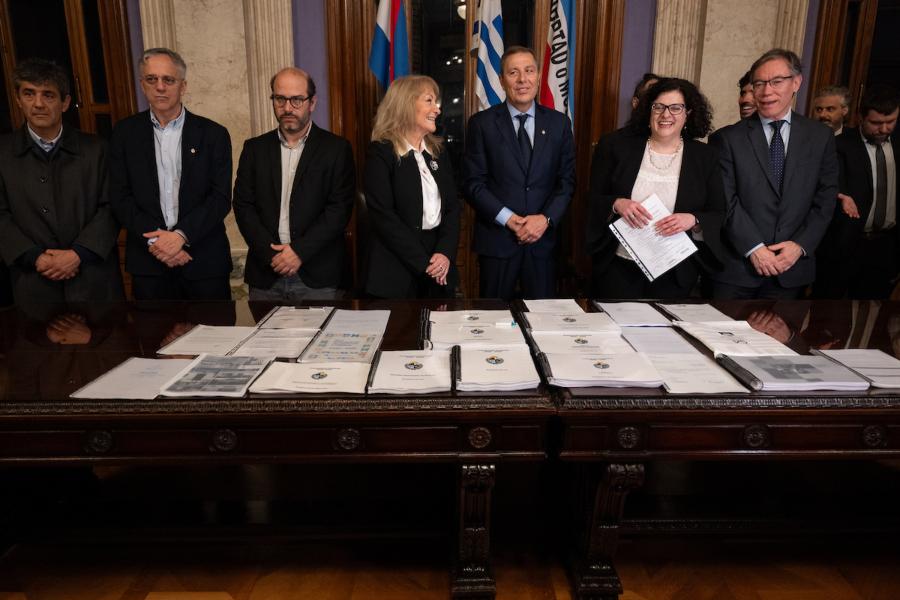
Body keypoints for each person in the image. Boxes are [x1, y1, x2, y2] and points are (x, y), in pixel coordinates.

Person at [710, 48, 838, 299]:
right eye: (759, 83)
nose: (767, 91)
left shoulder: (820, 137)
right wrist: (754, 248)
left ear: (796, 83)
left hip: (791, 271)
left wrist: (800, 246)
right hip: (737, 271)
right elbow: (726, 199)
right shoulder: (726, 139)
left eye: (776, 82)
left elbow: (826, 197)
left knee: (783, 338)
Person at [110, 48, 232, 300]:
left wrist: (179, 237)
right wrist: (159, 243)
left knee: (213, 338)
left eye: (169, 80)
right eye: (152, 79)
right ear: (142, 85)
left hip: (203, 263)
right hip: (149, 265)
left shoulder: (213, 134)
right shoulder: (124, 134)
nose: (160, 87)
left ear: (183, 86)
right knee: (155, 338)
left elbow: (220, 198)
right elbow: (120, 197)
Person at [586, 78, 725, 298]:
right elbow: (592, 199)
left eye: (675, 108)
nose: (666, 115)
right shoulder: (616, 146)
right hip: (619, 267)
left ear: (688, 113)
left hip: (675, 270)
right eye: (658, 107)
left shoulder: (705, 157)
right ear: (647, 110)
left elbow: (719, 212)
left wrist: (693, 220)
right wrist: (617, 204)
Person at [0, 58, 123, 304]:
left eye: (48, 95)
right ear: (18, 99)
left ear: (65, 103)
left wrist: (78, 254)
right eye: (29, 94)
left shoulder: (97, 149)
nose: (38, 104)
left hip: (94, 283)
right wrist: (37, 258)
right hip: (31, 285)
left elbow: (112, 207)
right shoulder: (2, 153)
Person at [463, 46, 576, 300]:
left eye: (529, 71)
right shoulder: (481, 124)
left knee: (542, 323)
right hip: (498, 243)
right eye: (513, 72)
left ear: (538, 76)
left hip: (542, 245)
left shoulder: (559, 124)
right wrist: (510, 219)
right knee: (492, 322)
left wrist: (544, 220)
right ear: (502, 81)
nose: (522, 79)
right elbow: (473, 184)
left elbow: (566, 182)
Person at [233, 67, 355, 302]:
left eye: (297, 100)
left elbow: (339, 210)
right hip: (266, 274)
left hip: (318, 275)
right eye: (280, 99)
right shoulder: (254, 149)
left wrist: (298, 252)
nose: (288, 108)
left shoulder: (337, 149)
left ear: (312, 102)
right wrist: (272, 256)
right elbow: (243, 206)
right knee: (265, 340)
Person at [363, 75, 460, 298]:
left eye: (436, 102)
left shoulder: (439, 153)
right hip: (395, 271)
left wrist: (444, 253)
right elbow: (383, 217)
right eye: (429, 101)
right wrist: (425, 263)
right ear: (406, 104)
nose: (437, 109)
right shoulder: (382, 152)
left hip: (439, 268)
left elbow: (452, 209)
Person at [814, 84, 899, 299]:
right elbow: (823, 183)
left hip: (885, 246)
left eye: (891, 122)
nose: (884, 129)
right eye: (876, 123)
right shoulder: (839, 145)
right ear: (861, 118)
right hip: (844, 245)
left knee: (873, 311)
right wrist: (840, 195)